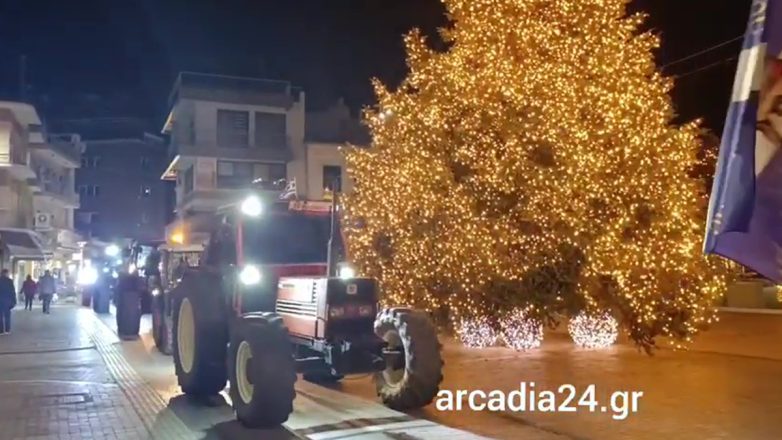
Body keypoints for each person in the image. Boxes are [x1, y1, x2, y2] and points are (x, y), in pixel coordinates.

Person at [0, 269, 16, 334]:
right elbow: (12, 292)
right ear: (6, 273)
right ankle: (7, 330)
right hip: (7, 301)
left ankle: (1, 331)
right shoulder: (10, 281)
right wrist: (14, 301)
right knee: (7, 316)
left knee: (0, 316)